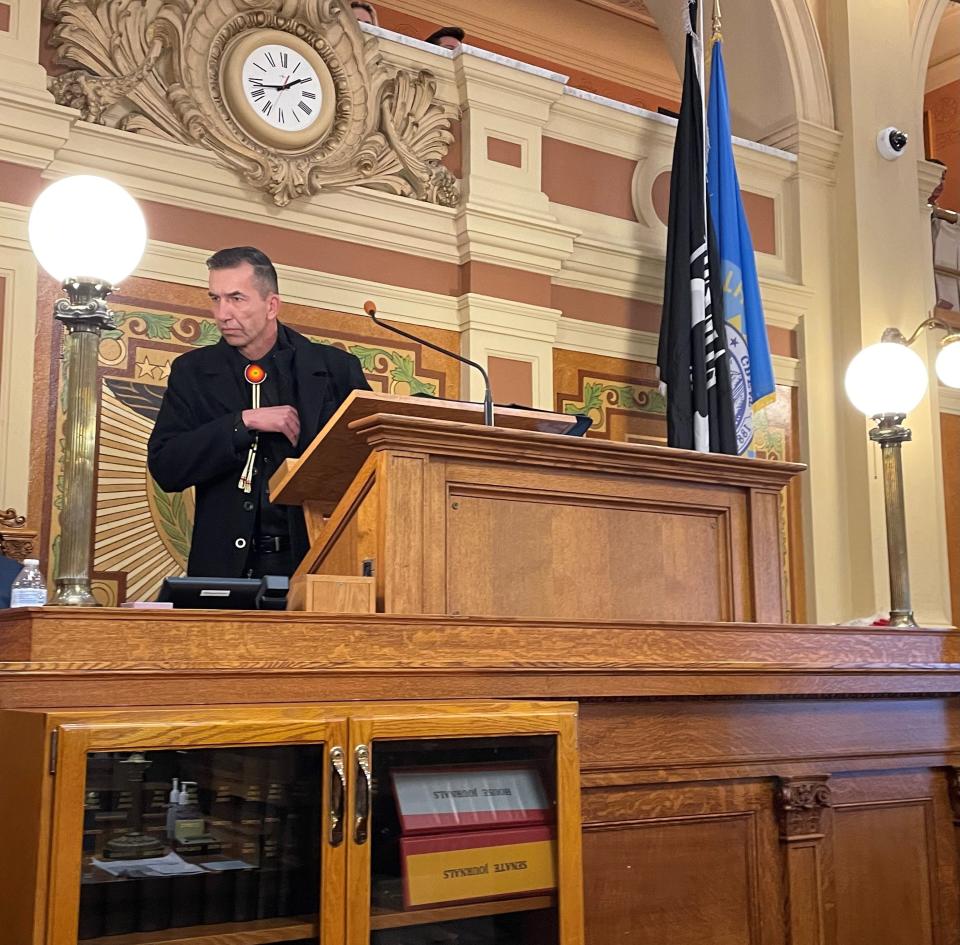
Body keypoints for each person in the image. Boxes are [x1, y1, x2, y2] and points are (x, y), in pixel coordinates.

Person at [148, 247, 371, 579]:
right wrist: (242, 423)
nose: (222, 313)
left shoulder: (336, 369)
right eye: (215, 299)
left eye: (236, 298)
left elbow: (367, 467)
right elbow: (166, 467)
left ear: (271, 305)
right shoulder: (192, 372)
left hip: (316, 568)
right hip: (223, 571)